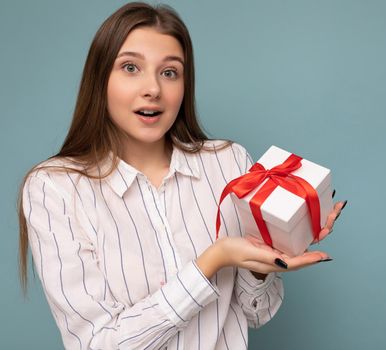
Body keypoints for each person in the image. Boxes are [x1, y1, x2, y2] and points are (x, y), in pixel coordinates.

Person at [17, 2, 347, 349]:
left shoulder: (229, 163)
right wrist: (212, 261)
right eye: (130, 67)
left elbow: (257, 313)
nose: (153, 89)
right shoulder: (53, 187)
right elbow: (96, 344)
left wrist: (272, 251)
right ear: (100, 79)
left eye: (170, 72)